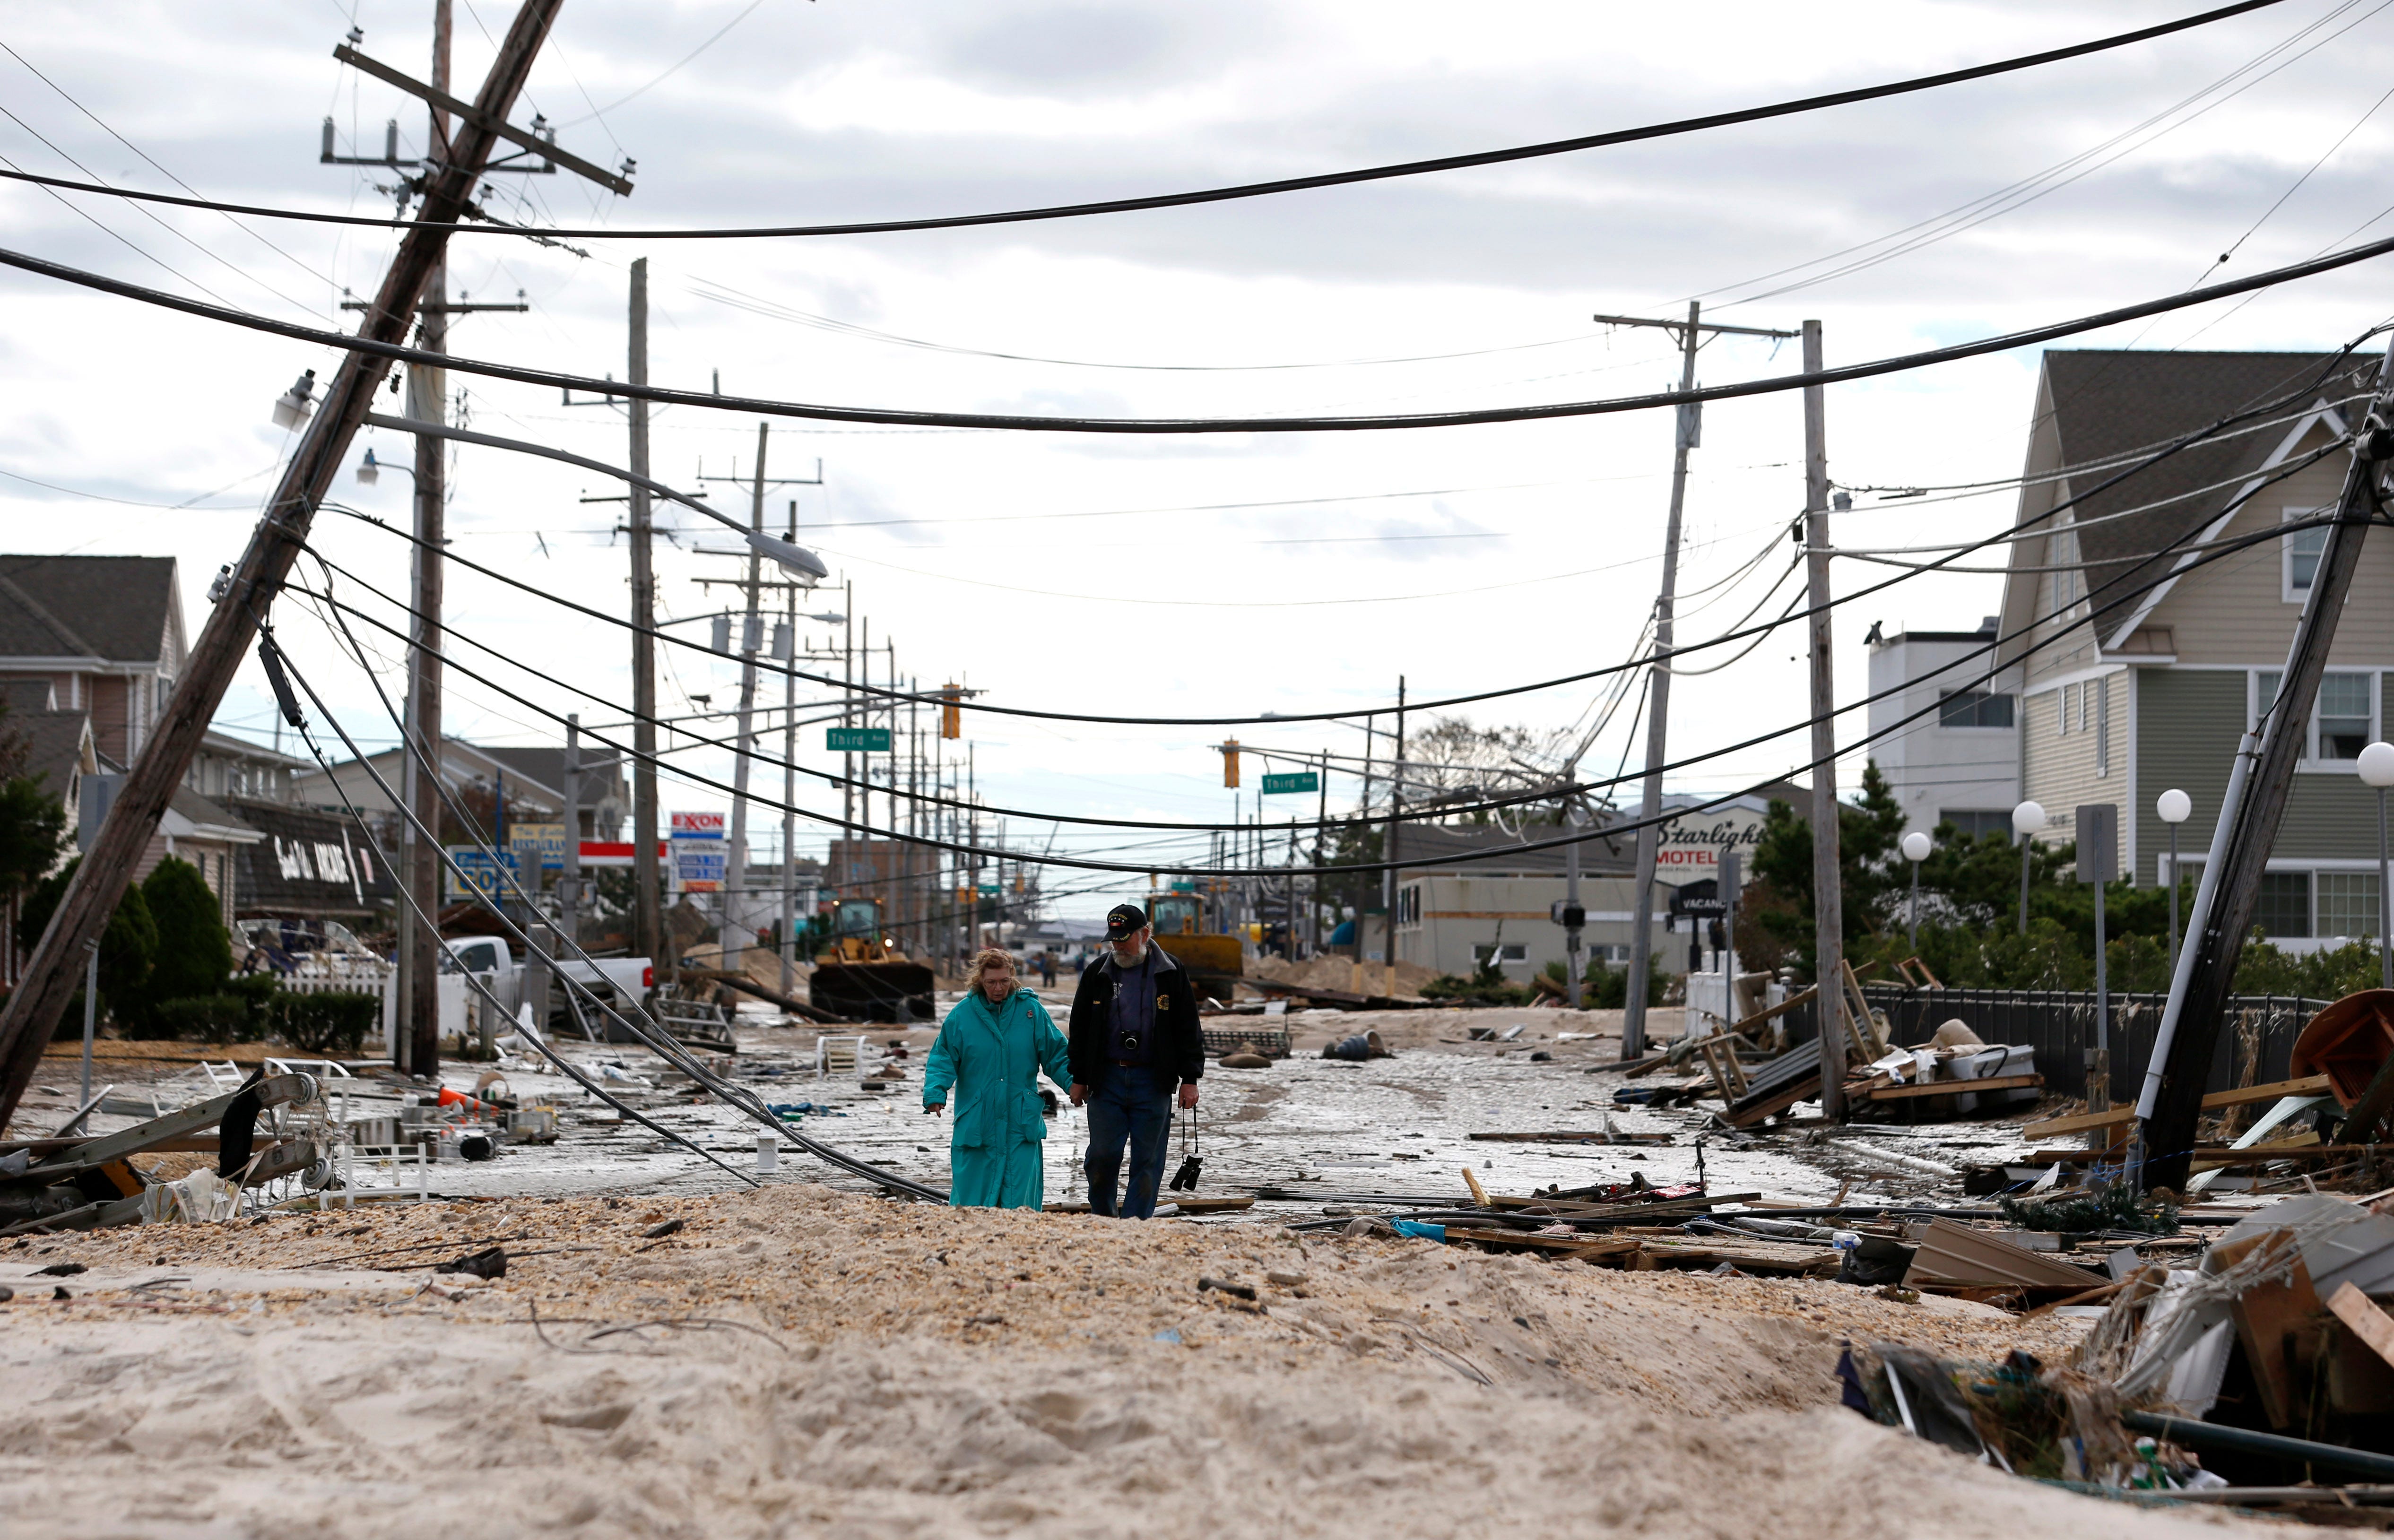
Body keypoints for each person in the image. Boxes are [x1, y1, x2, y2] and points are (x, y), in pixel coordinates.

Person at [1067, 903, 1201, 1219]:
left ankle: (1136, 1223)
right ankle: (1103, 1217)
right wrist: (1079, 1077)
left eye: (1124, 939)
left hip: (1153, 1081)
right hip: (1108, 1079)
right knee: (1102, 1155)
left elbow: (1188, 1027)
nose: (1118, 946)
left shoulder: (1171, 972)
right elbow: (1080, 1027)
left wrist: (1191, 1079)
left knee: (1148, 1160)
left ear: (1145, 934)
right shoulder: (1097, 972)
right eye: (1113, 939)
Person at [923, 947, 1074, 1210]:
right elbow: (942, 1057)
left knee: (1020, 1203)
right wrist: (936, 1093)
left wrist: (1075, 1085)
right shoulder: (961, 1016)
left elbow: (1057, 1055)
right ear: (979, 980)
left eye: (1004, 981)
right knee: (970, 1206)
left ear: (1012, 977)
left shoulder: (1032, 1012)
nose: (998, 988)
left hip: (1020, 1122)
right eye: (991, 982)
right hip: (978, 1122)